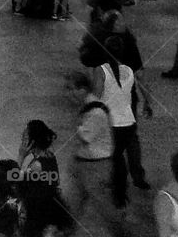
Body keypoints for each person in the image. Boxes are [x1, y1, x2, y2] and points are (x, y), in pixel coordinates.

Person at [93, 34, 153, 208]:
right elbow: (144, 89)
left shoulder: (101, 71)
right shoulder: (128, 70)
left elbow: (96, 99)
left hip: (110, 124)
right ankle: (130, 181)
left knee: (114, 158)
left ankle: (119, 192)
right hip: (128, 122)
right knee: (126, 152)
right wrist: (148, 104)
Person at [66, 71, 115, 235]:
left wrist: (77, 124)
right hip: (86, 162)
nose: (69, 94)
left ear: (83, 89)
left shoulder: (95, 111)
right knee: (75, 202)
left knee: (104, 207)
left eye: (72, 89)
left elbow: (85, 136)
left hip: (96, 166)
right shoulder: (87, 107)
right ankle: (66, 230)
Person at [15, 119, 72, 237]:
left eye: (25, 137)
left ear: (33, 141)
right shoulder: (50, 155)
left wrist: (21, 155)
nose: (22, 140)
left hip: (38, 212)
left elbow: (17, 183)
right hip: (50, 206)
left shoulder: (36, 165)